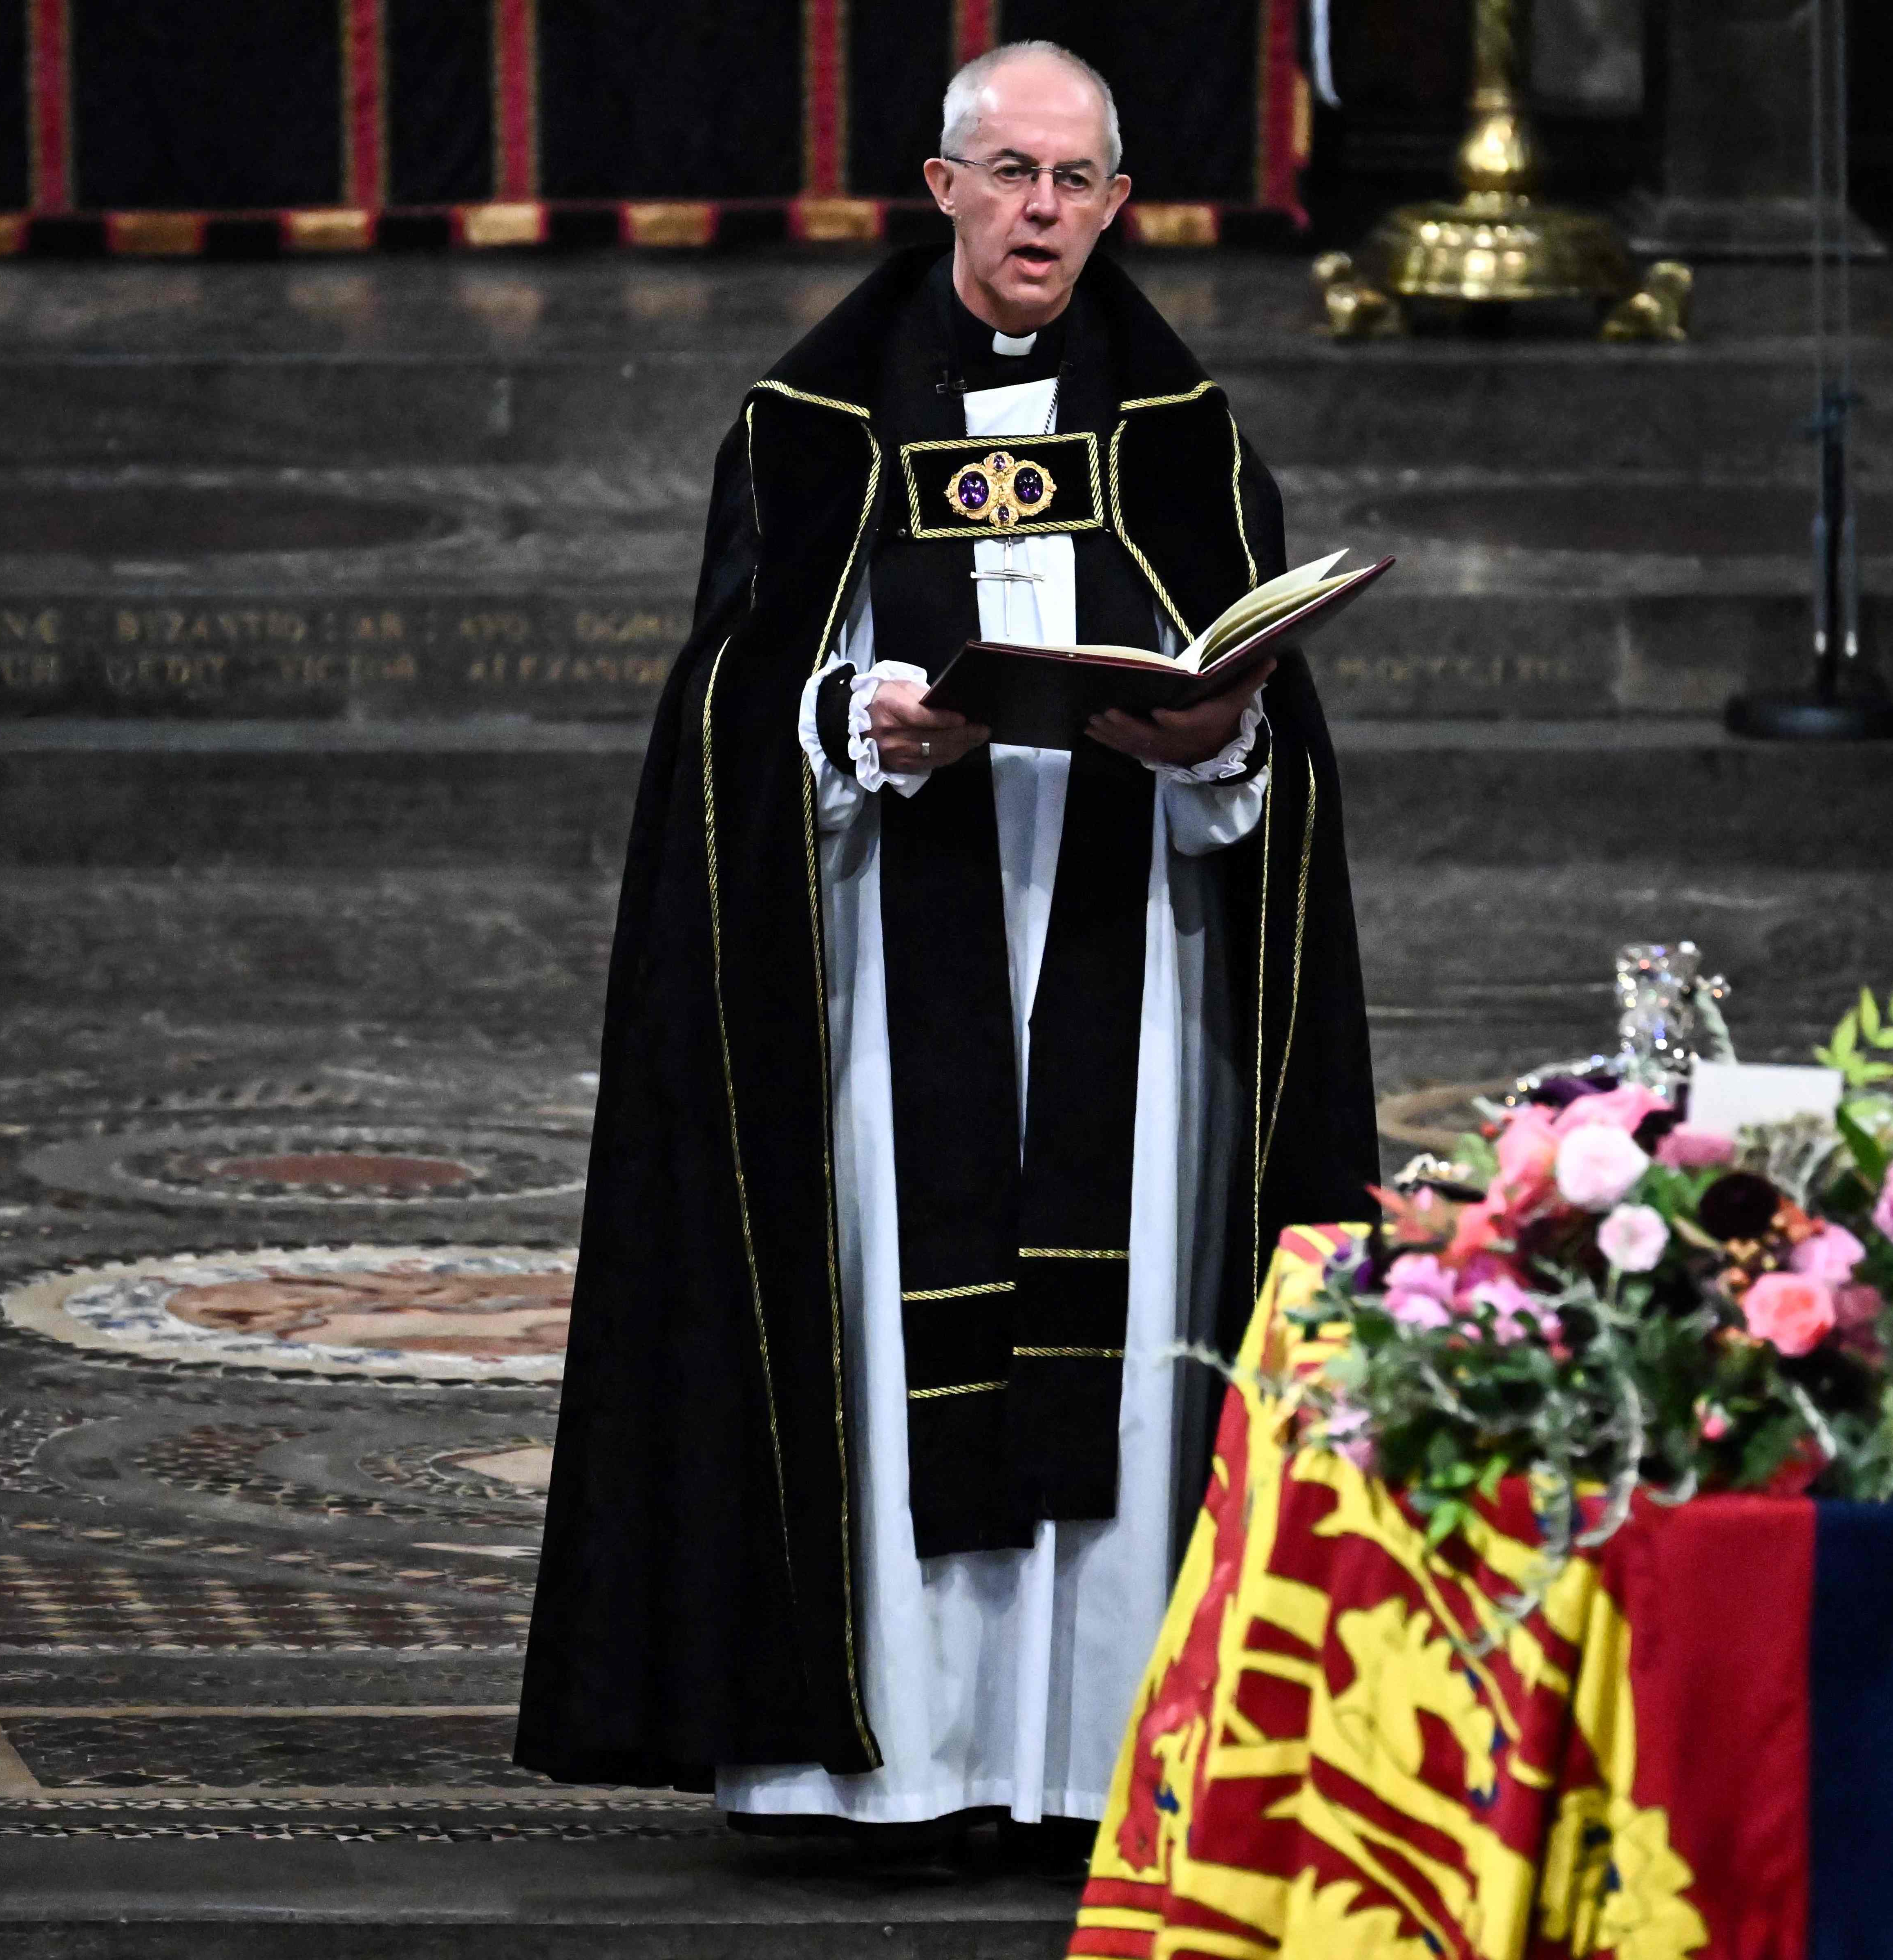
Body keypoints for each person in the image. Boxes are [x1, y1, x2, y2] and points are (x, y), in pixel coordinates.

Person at [514, 41, 1377, 1835]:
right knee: (892, 1352)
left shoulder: (1179, 433)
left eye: (1076, 181)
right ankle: (884, 1775)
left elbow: (1259, 731)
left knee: (1122, 1343)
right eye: (1010, 174)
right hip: (887, 992)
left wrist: (1217, 746)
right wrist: (854, 735)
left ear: (1118, 205)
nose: (1042, 211)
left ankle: (1088, 1764)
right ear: (941, 188)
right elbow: (725, 720)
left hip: (1118, 969)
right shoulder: (814, 427)